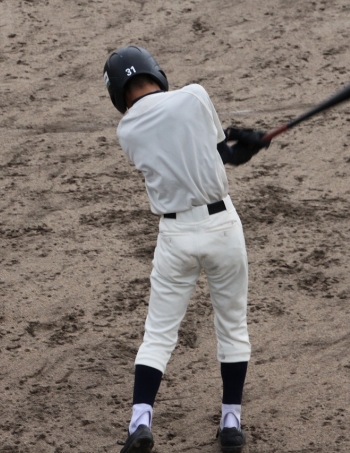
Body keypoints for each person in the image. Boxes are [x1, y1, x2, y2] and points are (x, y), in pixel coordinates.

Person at [102, 45, 270, 453]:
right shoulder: (194, 95)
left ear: (117, 93)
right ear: (155, 72)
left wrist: (234, 147)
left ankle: (140, 421)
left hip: (175, 237)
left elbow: (187, 153)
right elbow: (223, 154)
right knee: (232, 326)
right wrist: (250, 143)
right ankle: (231, 423)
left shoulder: (127, 131)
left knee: (158, 334)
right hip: (222, 227)